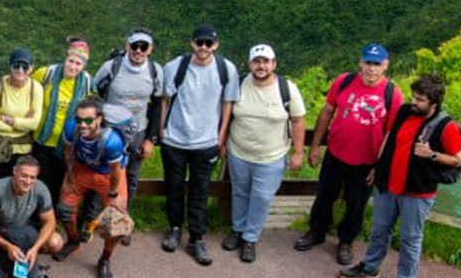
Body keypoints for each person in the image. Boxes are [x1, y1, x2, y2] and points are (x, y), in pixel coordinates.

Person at [339, 74, 461, 278]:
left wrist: (432, 154)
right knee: (379, 229)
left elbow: (457, 160)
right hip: (390, 185)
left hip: (417, 191)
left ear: (434, 103)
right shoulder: (405, 112)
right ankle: (370, 266)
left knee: (410, 237)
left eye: (420, 99)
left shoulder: (448, 126)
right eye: (414, 97)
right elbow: (390, 138)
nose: (414, 102)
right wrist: (379, 167)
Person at [298, 43, 403, 265]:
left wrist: (380, 166)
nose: (371, 69)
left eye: (377, 64)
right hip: (336, 153)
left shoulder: (392, 94)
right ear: (360, 63)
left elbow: (392, 135)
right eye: (368, 63)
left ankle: (346, 241)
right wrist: (315, 146)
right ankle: (316, 231)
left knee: (356, 203)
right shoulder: (344, 81)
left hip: (367, 161)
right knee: (324, 195)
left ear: (385, 66)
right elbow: (327, 112)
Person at [157, 24, 239, 265]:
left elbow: (228, 104)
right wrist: (162, 130)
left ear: (216, 45)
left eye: (208, 43)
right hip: (175, 138)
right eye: (199, 42)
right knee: (173, 186)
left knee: (199, 191)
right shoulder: (175, 66)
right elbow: (165, 99)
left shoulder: (226, 69)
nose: (203, 47)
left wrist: (220, 136)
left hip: (206, 141)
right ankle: (174, 228)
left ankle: (197, 237)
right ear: (192, 43)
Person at [223, 44, 306, 263]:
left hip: (271, 156)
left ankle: (250, 238)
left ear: (273, 64)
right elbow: (227, 113)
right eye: (257, 61)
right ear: (250, 64)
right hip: (239, 152)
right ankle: (237, 230)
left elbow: (297, 120)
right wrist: (222, 143)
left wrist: (298, 152)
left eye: (265, 61)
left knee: (261, 197)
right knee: (239, 192)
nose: (261, 66)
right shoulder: (239, 84)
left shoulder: (286, 88)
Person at [52, 99, 132, 278]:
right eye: (79, 119)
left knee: (116, 221)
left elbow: (115, 171)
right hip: (82, 168)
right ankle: (73, 241)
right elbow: (67, 151)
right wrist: (70, 175)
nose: (82, 125)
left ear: (98, 120)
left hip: (109, 175)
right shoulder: (72, 127)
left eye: (88, 120)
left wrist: (113, 195)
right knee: (64, 208)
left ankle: (105, 260)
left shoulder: (112, 141)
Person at [93, 29, 165, 200]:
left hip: (138, 131)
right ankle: (91, 220)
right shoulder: (111, 67)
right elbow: (95, 94)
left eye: (143, 47)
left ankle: (121, 218)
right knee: (103, 173)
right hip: (110, 130)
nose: (138, 51)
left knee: (131, 177)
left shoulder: (155, 71)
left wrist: (150, 139)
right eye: (134, 46)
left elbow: (156, 105)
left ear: (150, 49)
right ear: (127, 46)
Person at [34, 39, 92, 196]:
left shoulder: (86, 83)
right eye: (71, 61)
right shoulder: (47, 74)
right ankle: (36, 214)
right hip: (42, 139)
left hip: (67, 142)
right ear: (65, 58)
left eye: (78, 64)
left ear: (83, 67)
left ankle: (50, 214)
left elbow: (91, 107)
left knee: (58, 180)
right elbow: (29, 88)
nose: (73, 66)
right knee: (39, 180)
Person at [0, 48, 43, 184]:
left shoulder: (36, 88)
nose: (20, 70)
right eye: (16, 65)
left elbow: (34, 124)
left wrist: (9, 119)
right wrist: (21, 124)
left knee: (18, 185)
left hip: (23, 147)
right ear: (9, 66)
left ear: (31, 69)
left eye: (25, 66)